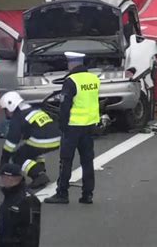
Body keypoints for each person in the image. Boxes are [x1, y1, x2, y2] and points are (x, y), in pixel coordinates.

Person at [44, 52, 100, 204]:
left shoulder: (71, 81)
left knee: (66, 160)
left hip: (73, 127)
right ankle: (87, 194)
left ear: (71, 64)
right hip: (89, 125)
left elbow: (65, 106)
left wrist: (62, 125)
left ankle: (62, 193)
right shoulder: (93, 79)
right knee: (87, 161)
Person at [0, 91, 61, 189]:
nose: (5, 113)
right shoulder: (31, 109)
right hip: (56, 137)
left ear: (10, 106)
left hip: (43, 139)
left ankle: (39, 176)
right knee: (33, 151)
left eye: (5, 109)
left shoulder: (18, 117)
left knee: (18, 157)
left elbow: (11, 143)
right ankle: (40, 170)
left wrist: (3, 162)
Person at [0, 163, 41, 247]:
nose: (3, 180)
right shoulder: (9, 196)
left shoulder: (27, 200)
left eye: (5, 178)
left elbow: (32, 233)